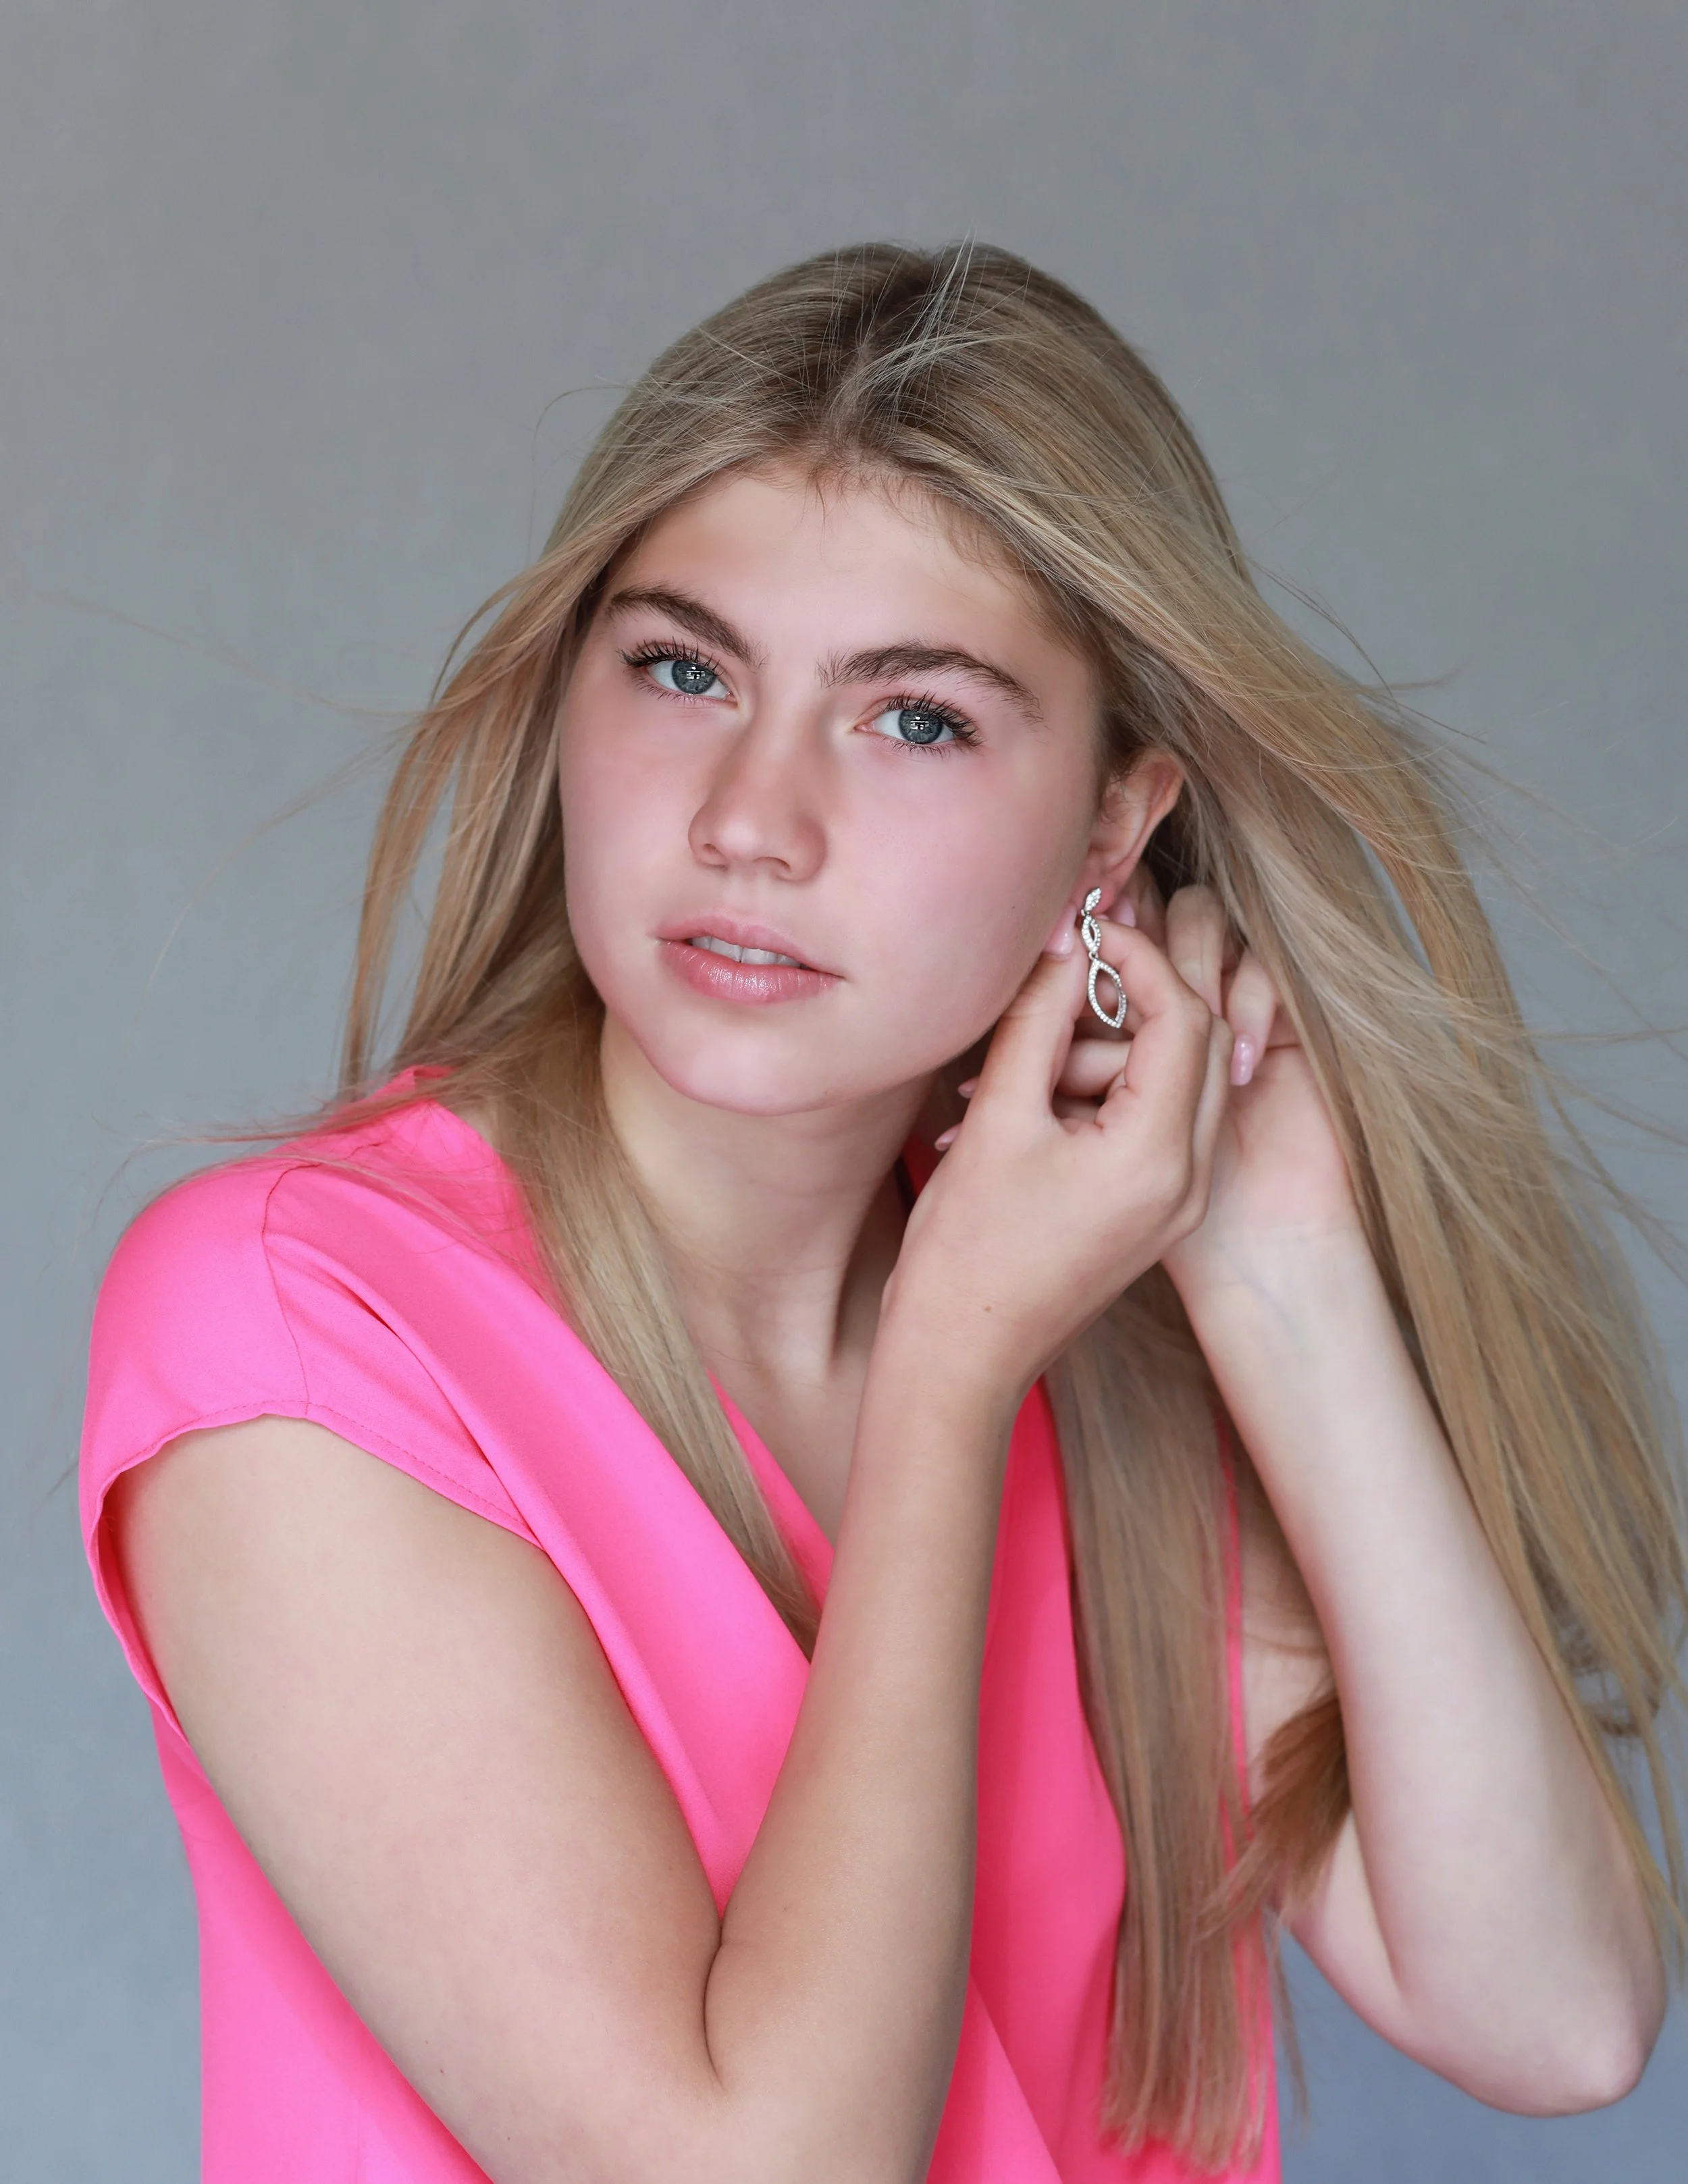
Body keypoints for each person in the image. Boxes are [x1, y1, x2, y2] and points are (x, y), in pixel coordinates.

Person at [80, 242, 1685, 2184]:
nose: (750, 819)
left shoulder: (1091, 1344)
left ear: (1113, 827)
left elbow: (1553, 2013)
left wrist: (1275, 1263)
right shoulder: (297, 1331)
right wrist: (948, 1371)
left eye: (915, 717)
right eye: (683, 670)